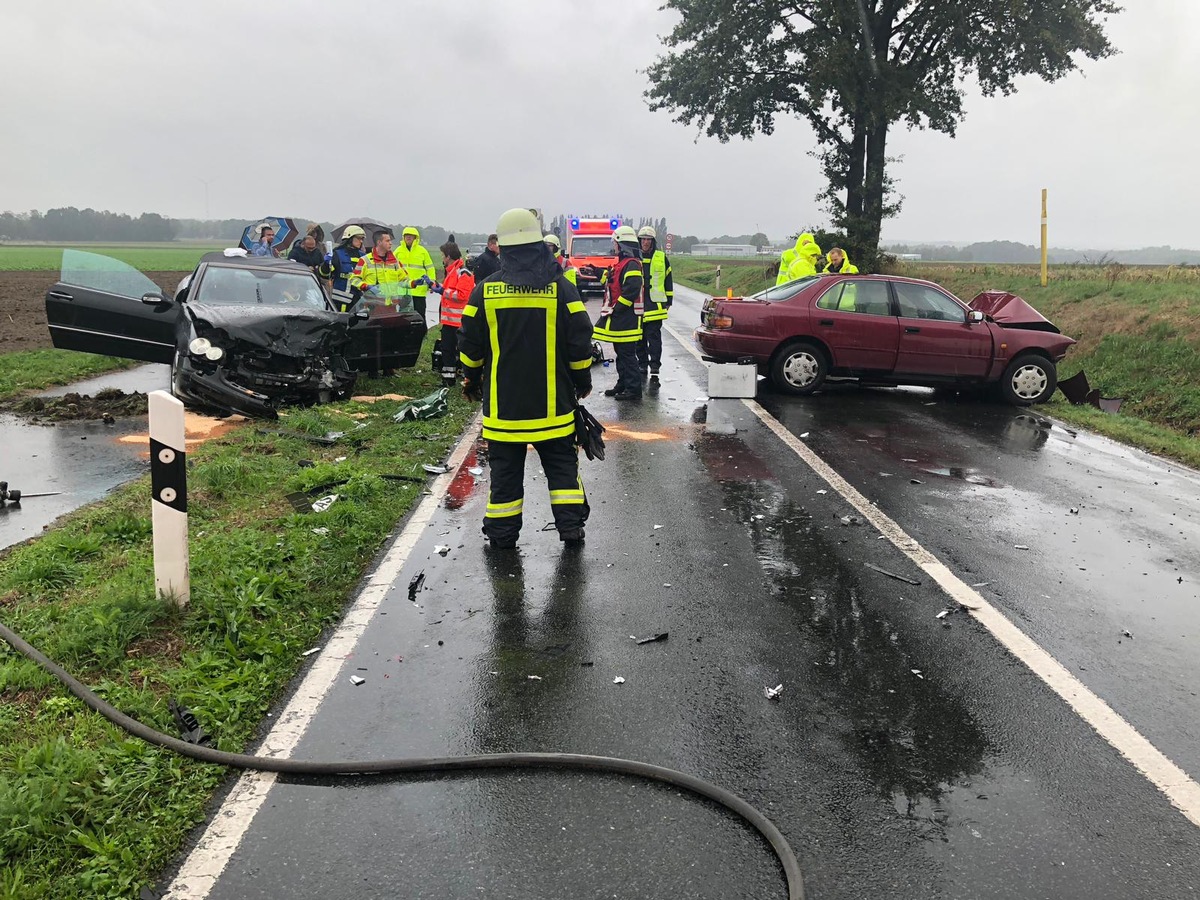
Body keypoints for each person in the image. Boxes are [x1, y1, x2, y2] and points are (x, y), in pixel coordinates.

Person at [458, 208, 594, 550]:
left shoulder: (483, 292)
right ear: (540, 246)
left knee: (504, 477)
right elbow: (580, 341)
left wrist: (471, 380)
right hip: (555, 409)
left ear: (502, 249)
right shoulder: (562, 289)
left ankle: (502, 537)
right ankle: (571, 529)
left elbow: (469, 344)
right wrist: (582, 382)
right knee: (562, 470)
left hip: (504, 414)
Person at [592, 225, 644, 401]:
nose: (613, 245)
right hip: (621, 317)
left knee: (627, 354)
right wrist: (598, 273)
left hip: (627, 318)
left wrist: (617, 309)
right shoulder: (622, 264)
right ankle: (623, 384)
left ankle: (634, 390)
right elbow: (612, 283)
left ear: (622, 245)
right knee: (621, 353)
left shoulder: (632, 264)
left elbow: (631, 290)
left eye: (615, 242)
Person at [434, 240, 474, 384]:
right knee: (447, 350)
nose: (442, 259)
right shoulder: (452, 272)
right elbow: (450, 291)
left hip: (459, 322)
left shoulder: (463, 273)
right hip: (449, 321)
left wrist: (443, 291)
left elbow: (462, 295)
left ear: (449, 256)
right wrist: (434, 285)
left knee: (462, 351)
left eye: (443, 255)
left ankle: (467, 378)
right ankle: (448, 380)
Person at [636, 225, 673, 381]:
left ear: (653, 241)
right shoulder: (634, 257)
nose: (645, 242)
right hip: (637, 305)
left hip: (655, 305)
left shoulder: (660, 257)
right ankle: (642, 364)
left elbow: (668, 279)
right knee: (639, 338)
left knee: (654, 339)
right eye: (643, 239)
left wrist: (669, 300)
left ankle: (655, 366)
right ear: (639, 241)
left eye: (648, 240)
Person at [349, 230, 412, 310]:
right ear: (379, 242)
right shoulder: (364, 260)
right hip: (372, 307)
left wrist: (414, 283)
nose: (391, 243)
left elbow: (404, 280)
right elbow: (353, 279)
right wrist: (366, 286)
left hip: (392, 307)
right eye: (387, 241)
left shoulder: (395, 262)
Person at [320, 225, 368, 311]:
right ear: (349, 238)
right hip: (340, 302)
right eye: (358, 238)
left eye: (362, 239)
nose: (361, 241)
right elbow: (324, 275)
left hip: (359, 301)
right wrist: (326, 264)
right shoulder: (337, 254)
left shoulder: (364, 256)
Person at [395, 226, 436, 320]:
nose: (408, 237)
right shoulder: (398, 251)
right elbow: (392, 269)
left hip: (419, 291)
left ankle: (423, 334)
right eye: (406, 235)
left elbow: (430, 268)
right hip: (403, 291)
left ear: (415, 238)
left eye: (411, 235)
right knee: (404, 317)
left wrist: (432, 283)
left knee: (420, 316)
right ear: (403, 237)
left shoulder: (422, 251)